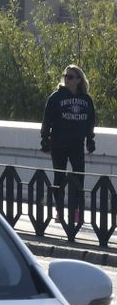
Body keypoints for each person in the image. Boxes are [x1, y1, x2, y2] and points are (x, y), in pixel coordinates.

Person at [41, 64, 97, 226]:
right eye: (65, 76)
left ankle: (76, 210)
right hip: (58, 143)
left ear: (79, 80)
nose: (67, 79)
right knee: (59, 177)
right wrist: (45, 139)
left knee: (79, 176)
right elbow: (47, 120)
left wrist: (90, 140)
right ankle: (59, 210)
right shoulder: (56, 97)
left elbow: (90, 122)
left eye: (70, 77)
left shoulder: (86, 100)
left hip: (77, 144)